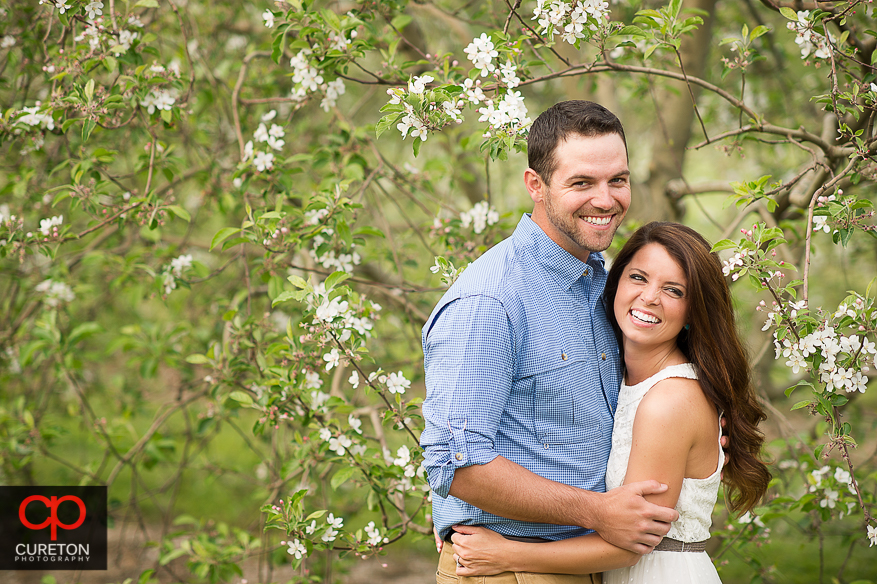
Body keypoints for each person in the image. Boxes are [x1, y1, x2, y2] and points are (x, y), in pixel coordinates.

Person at [420, 101, 680, 584]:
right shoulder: (490, 300)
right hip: (511, 570)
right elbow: (455, 462)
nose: (605, 200)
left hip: (589, 563)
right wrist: (597, 511)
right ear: (535, 185)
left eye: (617, 180)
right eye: (582, 183)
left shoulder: (606, 284)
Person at [447, 222, 772, 583]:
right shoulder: (615, 374)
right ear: (614, 283)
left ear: (694, 312)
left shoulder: (668, 401)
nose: (650, 297)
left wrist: (507, 553)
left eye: (674, 290)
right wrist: (453, 510)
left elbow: (633, 543)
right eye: (638, 278)